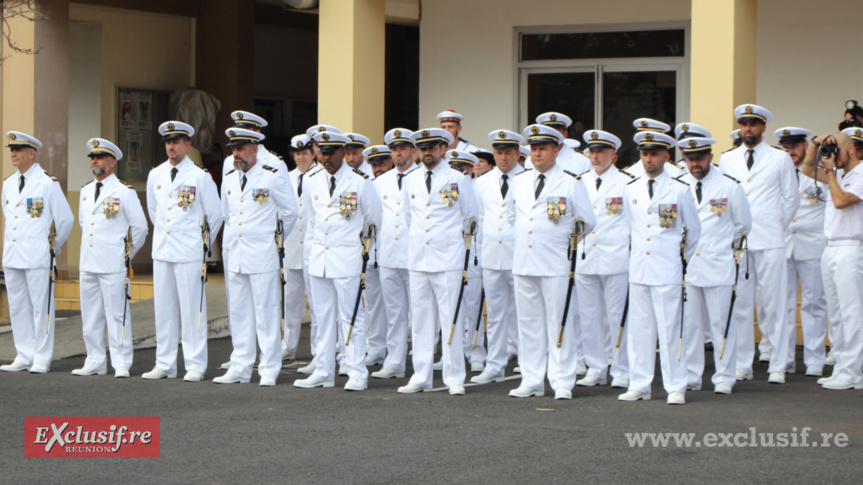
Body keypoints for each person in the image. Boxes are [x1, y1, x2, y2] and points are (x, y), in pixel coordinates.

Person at [507, 124, 595, 400]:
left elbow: (587, 221)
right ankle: (531, 379)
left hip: (556, 262)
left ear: (557, 150)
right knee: (529, 324)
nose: (537, 154)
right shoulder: (519, 181)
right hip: (524, 260)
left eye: (543, 148)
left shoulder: (571, 181)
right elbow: (513, 216)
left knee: (560, 322)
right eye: (533, 149)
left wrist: (562, 241)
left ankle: (561, 380)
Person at [293, 131, 381, 391]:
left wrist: (362, 251)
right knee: (322, 317)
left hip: (348, 258)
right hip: (320, 258)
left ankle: (356, 371)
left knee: (352, 316)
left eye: (332, 152)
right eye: (323, 152)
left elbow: (374, 222)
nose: (326, 157)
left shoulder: (360, 182)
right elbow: (311, 218)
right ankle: (323, 370)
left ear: (343, 152)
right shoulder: (311, 180)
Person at [718, 104, 799, 384]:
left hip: (771, 239)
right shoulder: (728, 159)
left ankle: (779, 363)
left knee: (774, 304)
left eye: (753, 124)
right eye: (743, 124)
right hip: (740, 242)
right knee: (741, 304)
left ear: (763, 127)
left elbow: (791, 199)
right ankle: (742, 363)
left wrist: (776, 224)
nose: (747, 129)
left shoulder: (779, 159)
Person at [619, 131, 700, 405]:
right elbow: (630, 226)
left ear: (667, 156)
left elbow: (694, 231)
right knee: (639, 329)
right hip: (640, 267)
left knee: (670, 329)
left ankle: (676, 385)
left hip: (667, 268)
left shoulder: (679, 189)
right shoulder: (630, 188)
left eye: (654, 154)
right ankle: (639, 384)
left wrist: (678, 258)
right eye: (644, 154)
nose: (649, 159)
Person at [214, 128, 298, 386]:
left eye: (240, 148)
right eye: (233, 149)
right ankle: (240, 366)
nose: (236, 154)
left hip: (262, 253)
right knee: (239, 312)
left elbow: (290, 212)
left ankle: (269, 367)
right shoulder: (229, 177)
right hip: (236, 253)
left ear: (254, 148)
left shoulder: (271, 177)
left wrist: (272, 237)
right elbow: (226, 214)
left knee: (266, 311)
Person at [397, 128, 478, 395]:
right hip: (419, 257)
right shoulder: (410, 179)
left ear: (444, 149)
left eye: (433, 147)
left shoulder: (458, 178)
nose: (427, 152)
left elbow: (470, 217)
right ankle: (421, 375)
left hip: (449, 258)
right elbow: (410, 218)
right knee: (420, 320)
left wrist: (459, 249)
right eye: (423, 148)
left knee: (451, 318)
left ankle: (454, 376)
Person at [143, 121, 223, 381]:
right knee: (164, 309)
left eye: (176, 142)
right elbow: (155, 212)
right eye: (168, 142)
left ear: (187, 145)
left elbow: (215, 215)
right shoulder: (155, 174)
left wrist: (201, 246)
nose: (171, 147)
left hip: (189, 251)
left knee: (192, 309)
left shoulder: (200, 176)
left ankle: (195, 364)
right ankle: (164, 363)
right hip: (164, 249)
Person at [678, 137, 751, 394]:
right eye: (689, 158)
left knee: (722, 325)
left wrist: (721, 248)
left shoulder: (729, 186)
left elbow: (743, 225)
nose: (694, 163)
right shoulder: (679, 184)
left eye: (699, 157)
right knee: (690, 325)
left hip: (719, 264)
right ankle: (691, 375)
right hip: (688, 266)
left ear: (710, 157)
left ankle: (724, 376)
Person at [72, 138, 148, 378]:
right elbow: (85, 224)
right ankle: (94, 359)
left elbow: (140, 228)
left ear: (112, 162)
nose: (95, 161)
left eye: (100, 157)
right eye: (93, 157)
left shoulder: (123, 191)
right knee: (91, 314)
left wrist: (124, 255)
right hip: (89, 262)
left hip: (113, 263)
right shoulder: (85, 191)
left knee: (117, 314)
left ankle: (121, 362)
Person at [0, 131, 73, 374]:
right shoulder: (8, 184)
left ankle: (42, 356)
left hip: (38, 255)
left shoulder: (47, 183)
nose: (13, 153)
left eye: (18, 149)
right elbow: (10, 216)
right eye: (12, 149)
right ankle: (24, 353)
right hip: (13, 254)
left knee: (41, 307)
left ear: (31, 153)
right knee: (18, 306)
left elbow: (65, 220)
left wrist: (52, 248)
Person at [802, 128, 863, 390]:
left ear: (849, 149)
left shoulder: (860, 174)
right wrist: (816, 146)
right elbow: (806, 170)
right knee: (836, 314)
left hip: (852, 246)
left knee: (852, 314)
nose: (833, 154)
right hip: (830, 247)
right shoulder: (836, 174)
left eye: (836, 148)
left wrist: (829, 172)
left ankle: (854, 372)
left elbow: (840, 202)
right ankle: (842, 367)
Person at [574, 129, 632, 390]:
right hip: (586, 257)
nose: (595, 156)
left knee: (618, 317)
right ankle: (596, 367)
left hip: (615, 258)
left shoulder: (626, 183)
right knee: (588, 316)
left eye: (601, 151)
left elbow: (633, 223)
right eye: (592, 151)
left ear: (614, 155)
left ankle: (621, 369)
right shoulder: (578, 181)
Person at [472, 129, 526, 384]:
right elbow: (481, 220)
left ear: (517, 154)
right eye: (499, 153)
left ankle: (528, 362)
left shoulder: (528, 179)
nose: (503, 157)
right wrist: (481, 253)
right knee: (494, 314)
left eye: (508, 153)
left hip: (520, 255)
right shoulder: (482, 182)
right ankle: (495, 363)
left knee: (525, 313)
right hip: (493, 255)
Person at [775, 127, 827, 377]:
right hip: (784, 245)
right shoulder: (776, 171)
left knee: (814, 302)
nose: (790, 151)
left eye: (794, 146)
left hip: (813, 245)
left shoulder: (821, 171)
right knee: (782, 305)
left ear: (806, 146)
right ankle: (783, 358)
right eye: (786, 147)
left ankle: (815, 358)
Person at [371, 128, 418, 380]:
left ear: (412, 150)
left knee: (420, 313)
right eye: (394, 149)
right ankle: (395, 361)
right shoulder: (380, 182)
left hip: (415, 255)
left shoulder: (422, 177)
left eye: (402, 148)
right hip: (389, 253)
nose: (398, 153)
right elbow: (374, 219)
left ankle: (421, 362)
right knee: (394, 312)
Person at [447, 150, 486, 373]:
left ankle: (476, 350)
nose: (459, 172)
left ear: (471, 169)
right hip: (451, 255)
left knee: (473, 307)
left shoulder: (477, 188)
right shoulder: (449, 188)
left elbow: (479, 223)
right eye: (455, 167)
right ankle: (455, 350)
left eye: (463, 168)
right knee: (453, 307)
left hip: (473, 255)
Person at [282, 134, 318, 363]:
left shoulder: (322, 176)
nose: (301, 157)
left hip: (314, 248)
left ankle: (318, 351)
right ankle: (288, 347)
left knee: (318, 305)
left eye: (304, 153)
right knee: (290, 303)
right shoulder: (286, 177)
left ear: (313, 153)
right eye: (297, 153)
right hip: (292, 247)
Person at [524, 112, 591, 175]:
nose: (552, 135)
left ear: (565, 134)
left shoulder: (582, 161)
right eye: (548, 131)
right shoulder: (530, 161)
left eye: (556, 131)